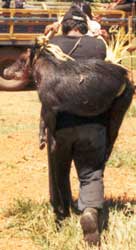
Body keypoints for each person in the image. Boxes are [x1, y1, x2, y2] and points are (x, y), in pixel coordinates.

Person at [46, 5, 107, 247]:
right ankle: (90, 210)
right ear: (84, 26)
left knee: (59, 169)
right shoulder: (99, 46)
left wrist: (51, 34)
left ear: (64, 26)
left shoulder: (52, 48)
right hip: (94, 122)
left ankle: (62, 214)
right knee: (91, 171)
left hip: (61, 123)